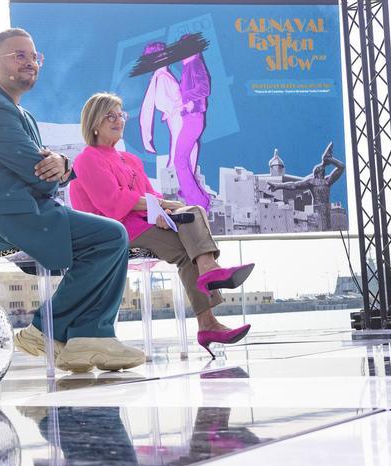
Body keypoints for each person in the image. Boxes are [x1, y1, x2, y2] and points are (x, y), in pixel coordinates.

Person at [0, 28, 144, 373]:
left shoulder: (19, 114)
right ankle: (52, 330)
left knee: (107, 239)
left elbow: (48, 171)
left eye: (34, 56)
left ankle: (84, 341)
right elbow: (37, 171)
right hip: (3, 219)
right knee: (110, 236)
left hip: (25, 211)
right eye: (19, 55)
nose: (30, 62)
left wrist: (62, 164)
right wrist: (57, 168)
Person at [70, 92, 253, 358]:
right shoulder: (87, 159)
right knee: (188, 241)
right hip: (112, 231)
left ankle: (208, 288)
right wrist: (163, 207)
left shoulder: (129, 160)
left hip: (138, 224)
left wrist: (164, 209)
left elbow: (149, 196)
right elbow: (112, 202)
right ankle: (208, 305)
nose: (118, 120)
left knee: (194, 212)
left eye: (120, 114)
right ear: (94, 123)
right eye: (110, 115)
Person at [139, 41, 210, 210]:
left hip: (182, 118)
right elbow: (162, 102)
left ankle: (189, 197)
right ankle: (193, 200)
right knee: (181, 159)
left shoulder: (163, 75)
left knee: (183, 157)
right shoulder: (162, 76)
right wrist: (181, 106)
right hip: (179, 119)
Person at [267, 142, 345, 230]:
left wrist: (330, 160)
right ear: (316, 173)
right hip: (317, 209)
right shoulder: (312, 182)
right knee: (319, 230)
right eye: (321, 168)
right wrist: (277, 186)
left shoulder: (327, 181)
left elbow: (341, 167)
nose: (323, 168)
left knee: (326, 230)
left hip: (326, 209)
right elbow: (293, 185)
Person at [175, 41, 213, 210]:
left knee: (180, 160)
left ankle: (197, 201)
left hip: (194, 118)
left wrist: (187, 98)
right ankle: (199, 198)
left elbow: (204, 88)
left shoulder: (194, 63)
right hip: (192, 117)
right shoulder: (189, 64)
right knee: (184, 160)